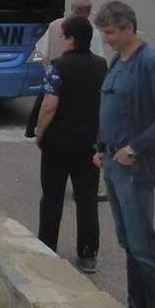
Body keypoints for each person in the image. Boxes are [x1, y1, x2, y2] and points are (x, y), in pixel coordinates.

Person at [92, 0, 155, 308]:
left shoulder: (151, 63)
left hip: (134, 168)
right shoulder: (118, 60)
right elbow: (112, 108)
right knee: (128, 242)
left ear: (128, 27)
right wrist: (102, 148)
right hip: (112, 165)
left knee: (144, 248)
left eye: (110, 33)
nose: (106, 39)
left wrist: (135, 148)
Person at [35, 15, 107, 273]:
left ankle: (47, 246)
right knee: (87, 198)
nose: (61, 40)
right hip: (89, 143)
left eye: (63, 36)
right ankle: (88, 253)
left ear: (72, 39)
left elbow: (49, 104)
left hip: (58, 143)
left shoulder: (58, 66)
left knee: (52, 197)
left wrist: (40, 133)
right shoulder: (102, 65)